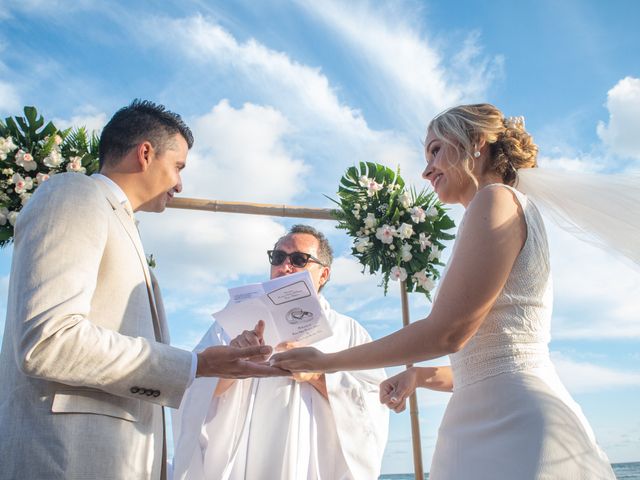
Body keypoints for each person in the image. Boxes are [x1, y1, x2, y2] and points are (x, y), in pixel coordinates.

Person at [272, 104, 617, 479]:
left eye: (436, 149)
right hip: (483, 418)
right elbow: (485, 359)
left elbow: (448, 333)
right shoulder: (498, 207)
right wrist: (418, 376)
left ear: (476, 143)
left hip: (512, 427)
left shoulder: (495, 199)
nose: (426, 169)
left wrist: (324, 362)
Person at [0, 100, 284, 480]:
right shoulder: (74, 195)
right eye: (178, 167)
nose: (181, 184)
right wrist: (197, 365)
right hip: (67, 458)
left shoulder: (121, 224)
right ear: (145, 153)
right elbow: (48, 340)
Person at [171, 225, 389, 480]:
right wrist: (232, 365)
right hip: (243, 463)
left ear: (323, 275)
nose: (285, 267)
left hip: (313, 465)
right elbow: (191, 389)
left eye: (299, 260)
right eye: (278, 257)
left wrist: (318, 376)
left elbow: (374, 400)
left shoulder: (348, 332)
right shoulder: (229, 326)